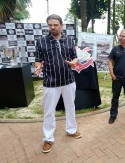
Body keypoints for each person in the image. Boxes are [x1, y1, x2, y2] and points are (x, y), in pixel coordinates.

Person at [34, 14, 82, 154]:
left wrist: (74, 61)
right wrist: (38, 66)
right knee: (49, 111)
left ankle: (71, 130)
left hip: (68, 80)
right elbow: (38, 59)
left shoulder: (69, 40)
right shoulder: (42, 41)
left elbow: (74, 56)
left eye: (55, 25)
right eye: (50, 25)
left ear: (61, 25)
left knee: (70, 107)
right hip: (50, 83)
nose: (52, 27)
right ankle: (48, 138)